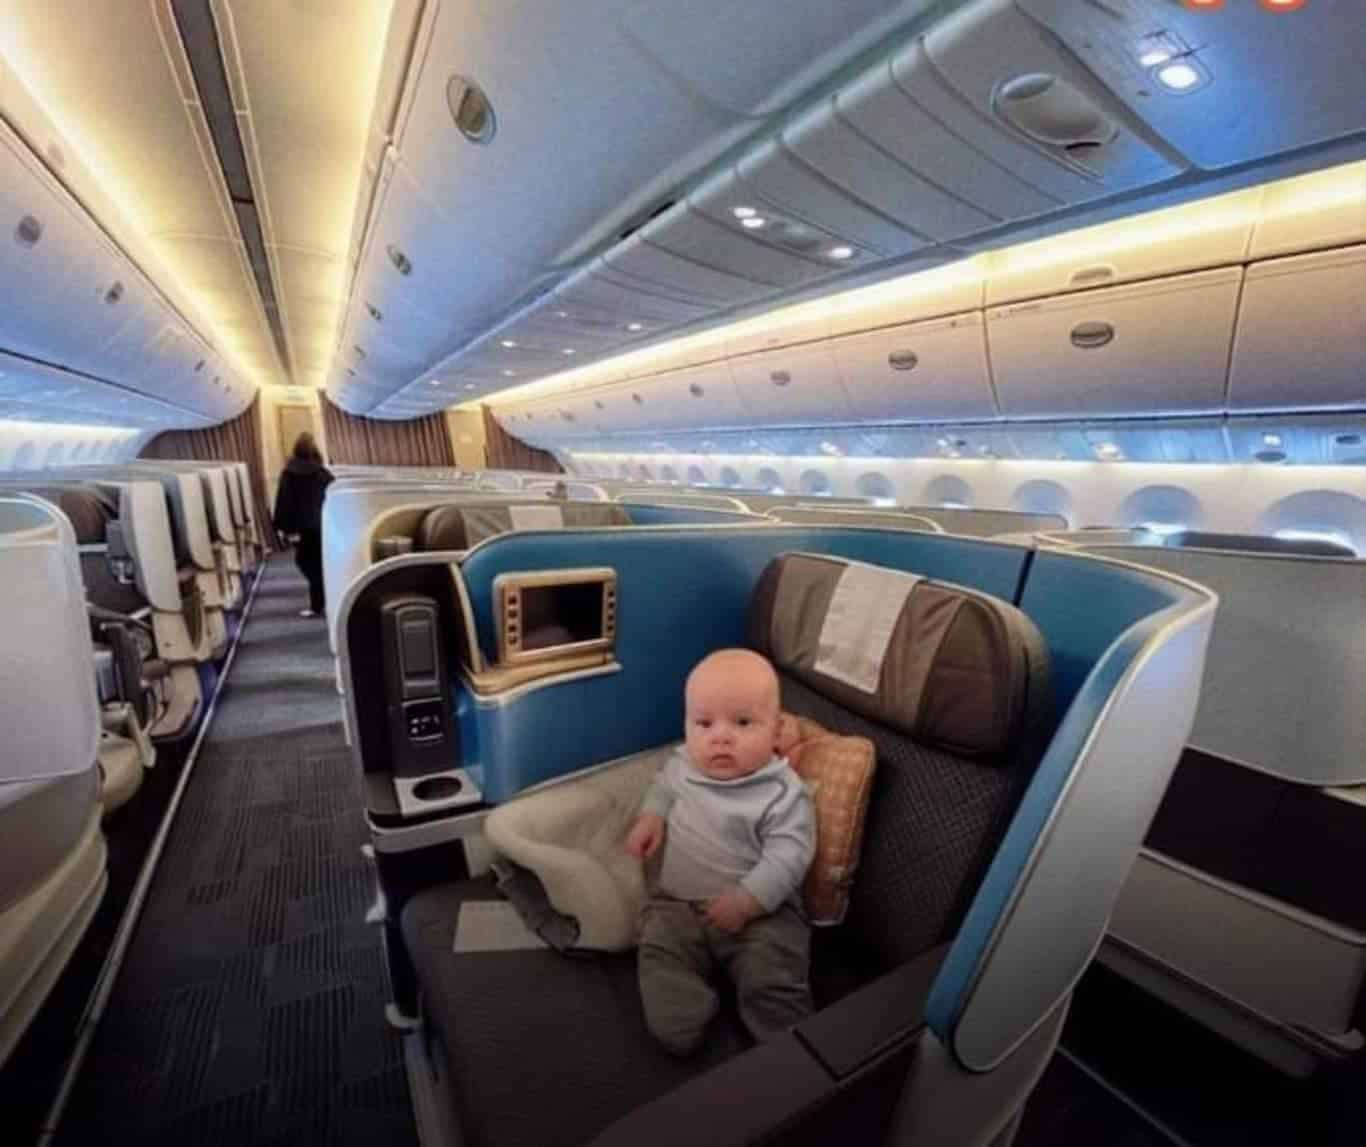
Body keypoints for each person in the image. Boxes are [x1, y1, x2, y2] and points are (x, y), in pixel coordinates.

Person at [626, 648, 816, 1055]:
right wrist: (651, 818)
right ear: (687, 726)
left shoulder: (782, 792)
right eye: (704, 723)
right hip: (677, 903)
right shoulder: (683, 764)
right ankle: (683, 1011)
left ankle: (788, 1050)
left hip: (758, 913)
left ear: (777, 731)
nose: (721, 737)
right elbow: (663, 787)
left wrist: (748, 900)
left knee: (773, 968)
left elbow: (790, 856)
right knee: (657, 948)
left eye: (743, 723)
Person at [272, 432, 334, 618]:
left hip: (303, 527)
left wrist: (285, 528)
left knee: (306, 563)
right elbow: (333, 499)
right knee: (318, 564)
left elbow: (285, 501)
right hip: (322, 525)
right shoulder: (323, 473)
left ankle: (318, 604)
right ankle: (322, 601)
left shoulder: (289, 472)